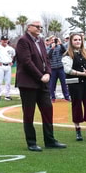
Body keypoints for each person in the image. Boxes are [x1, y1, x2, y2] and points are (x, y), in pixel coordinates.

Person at [15, 20, 67, 152]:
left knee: (48, 110)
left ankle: (50, 140)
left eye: (40, 27)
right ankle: (31, 142)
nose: (39, 29)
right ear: (29, 27)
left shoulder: (40, 41)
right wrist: (40, 76)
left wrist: (48, 73)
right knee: (29, 113)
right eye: (37, 26)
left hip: (42, 82)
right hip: (28, 83)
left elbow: (46, 59)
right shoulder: (23, 41)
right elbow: (26, 61)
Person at [63, 33, 86, 141]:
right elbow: (67, 69)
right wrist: (80, 73)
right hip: (75, 83)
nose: (78, 41)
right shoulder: (67, 55)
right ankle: (78, 130)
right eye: (75, 40)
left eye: (79, 39)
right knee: (76, 105)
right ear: (71, 41)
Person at [47, 35, 70, 102]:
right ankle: (52, 97)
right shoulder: (48, 48)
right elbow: (48, 56)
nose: (54, 41)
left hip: (61, 68)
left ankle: (66, 97)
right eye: (52, 40)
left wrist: (60, 43)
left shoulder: (60, 47)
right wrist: (52, 48)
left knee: (64, 83)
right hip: (53, 68)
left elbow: (65, 52)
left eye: (55, 39)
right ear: (50, 41)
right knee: (52, 84)